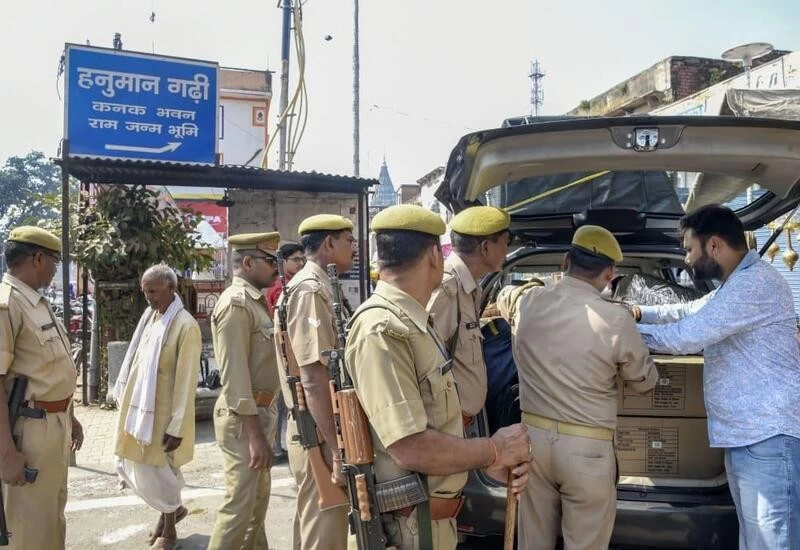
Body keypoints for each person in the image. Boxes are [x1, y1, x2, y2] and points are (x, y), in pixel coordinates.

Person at [344, 204, 531, 549]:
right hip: (412, 529)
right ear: (434, 255)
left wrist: (489, 461)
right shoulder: (383, 329)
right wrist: (493, 450)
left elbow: (434, 418)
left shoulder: (413, 322)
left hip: (431, 521)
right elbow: (409, 446)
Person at [634, 205, 800, 550]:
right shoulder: (735, 284)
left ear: (713, 245)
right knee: (755, 541)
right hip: (749, 436)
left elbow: (686, 336)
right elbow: (686, 310)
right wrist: (638, 313)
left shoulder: (753, 284)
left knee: (771, 543)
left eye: (689, 249)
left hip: (766, 437)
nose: (687, 259)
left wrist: (619, 333)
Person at [496, 225, 658, 550]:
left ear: (566, 261)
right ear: (610, 274)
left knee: (532, 542)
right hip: (589, 451)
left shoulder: (529, 302)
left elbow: (504, 297)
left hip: (532, 443)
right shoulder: (616, 319)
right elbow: (645, 381)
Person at [0, 226, 83, 550]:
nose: (54, 268)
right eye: (54, 261)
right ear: (37, 259)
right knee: (28, 529)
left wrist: (70, 415)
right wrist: (6, 454)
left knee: (50, 519)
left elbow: (49, 370)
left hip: (53, 425)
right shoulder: (8, 305)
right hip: (29, 432)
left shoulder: (35, 302)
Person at [275, 214, 355, 550]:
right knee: (325, 537)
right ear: (329, 243)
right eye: (349, 240)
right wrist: (337, 450)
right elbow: (313, 378)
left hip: (319, 429)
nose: (354, 248)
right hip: (319, 433)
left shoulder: (315, 285)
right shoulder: (311, 290)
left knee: (313, 529)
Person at [111, 264, 200, 550]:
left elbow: (186, 381)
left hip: (165, 418)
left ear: (171, 288)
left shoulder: (185, 325)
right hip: (140, 413)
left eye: (153, 291)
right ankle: (172, 512)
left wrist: (177, 426)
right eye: (145, 291)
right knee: (138, 466)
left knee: (161, 473)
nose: (148, 297)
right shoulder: (151, 317)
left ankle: (169, 530)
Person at [208, 232, 284, 550]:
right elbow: (235, 377)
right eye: (270, 261)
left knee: (256, 507)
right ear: (249, 262)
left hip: (260, 412)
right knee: (238, 510)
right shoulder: (236, 304)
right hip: (244, 419)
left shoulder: (254, 301)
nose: (276, 268)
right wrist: (255, 436)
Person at [428, 205, 510, 427]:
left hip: (462, 423)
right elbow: (423, 364)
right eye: (505, 243)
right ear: (485, 247)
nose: (506, 251)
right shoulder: (447, 288)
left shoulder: (469, 288)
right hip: (448, 425)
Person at [267, 242, 305, 462]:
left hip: (287, 354)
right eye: (296, 259)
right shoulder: (282, 289)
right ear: (283, 262)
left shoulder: (292, 285)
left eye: (302, 259)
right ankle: (276, 446)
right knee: (283, 404)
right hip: (284, 354)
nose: (300, 263)